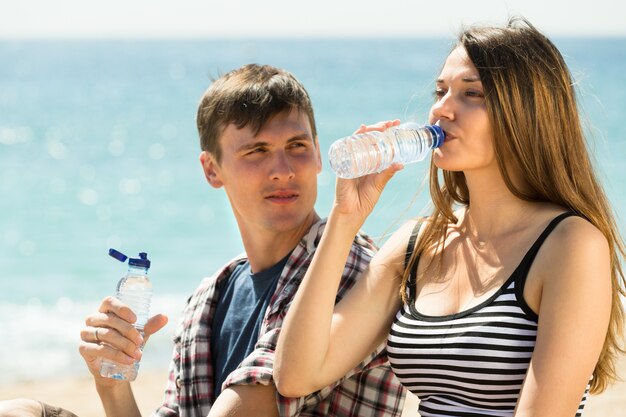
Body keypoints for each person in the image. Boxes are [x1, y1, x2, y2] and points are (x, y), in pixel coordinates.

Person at [0, 65, 405, 416]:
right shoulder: (210, 296)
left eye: (296, 146)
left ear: (318, 154)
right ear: (212, 170)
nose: (282, 169)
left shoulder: (350, 269)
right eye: (257, 151)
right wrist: (113, 382)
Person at [274, 17, 626, 417]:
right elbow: (296, 375)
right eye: (440, 91)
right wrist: (343, 220)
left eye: (471, 93)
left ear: (526, 112)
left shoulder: (569, 245)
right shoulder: (417, 245)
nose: (441, 109)